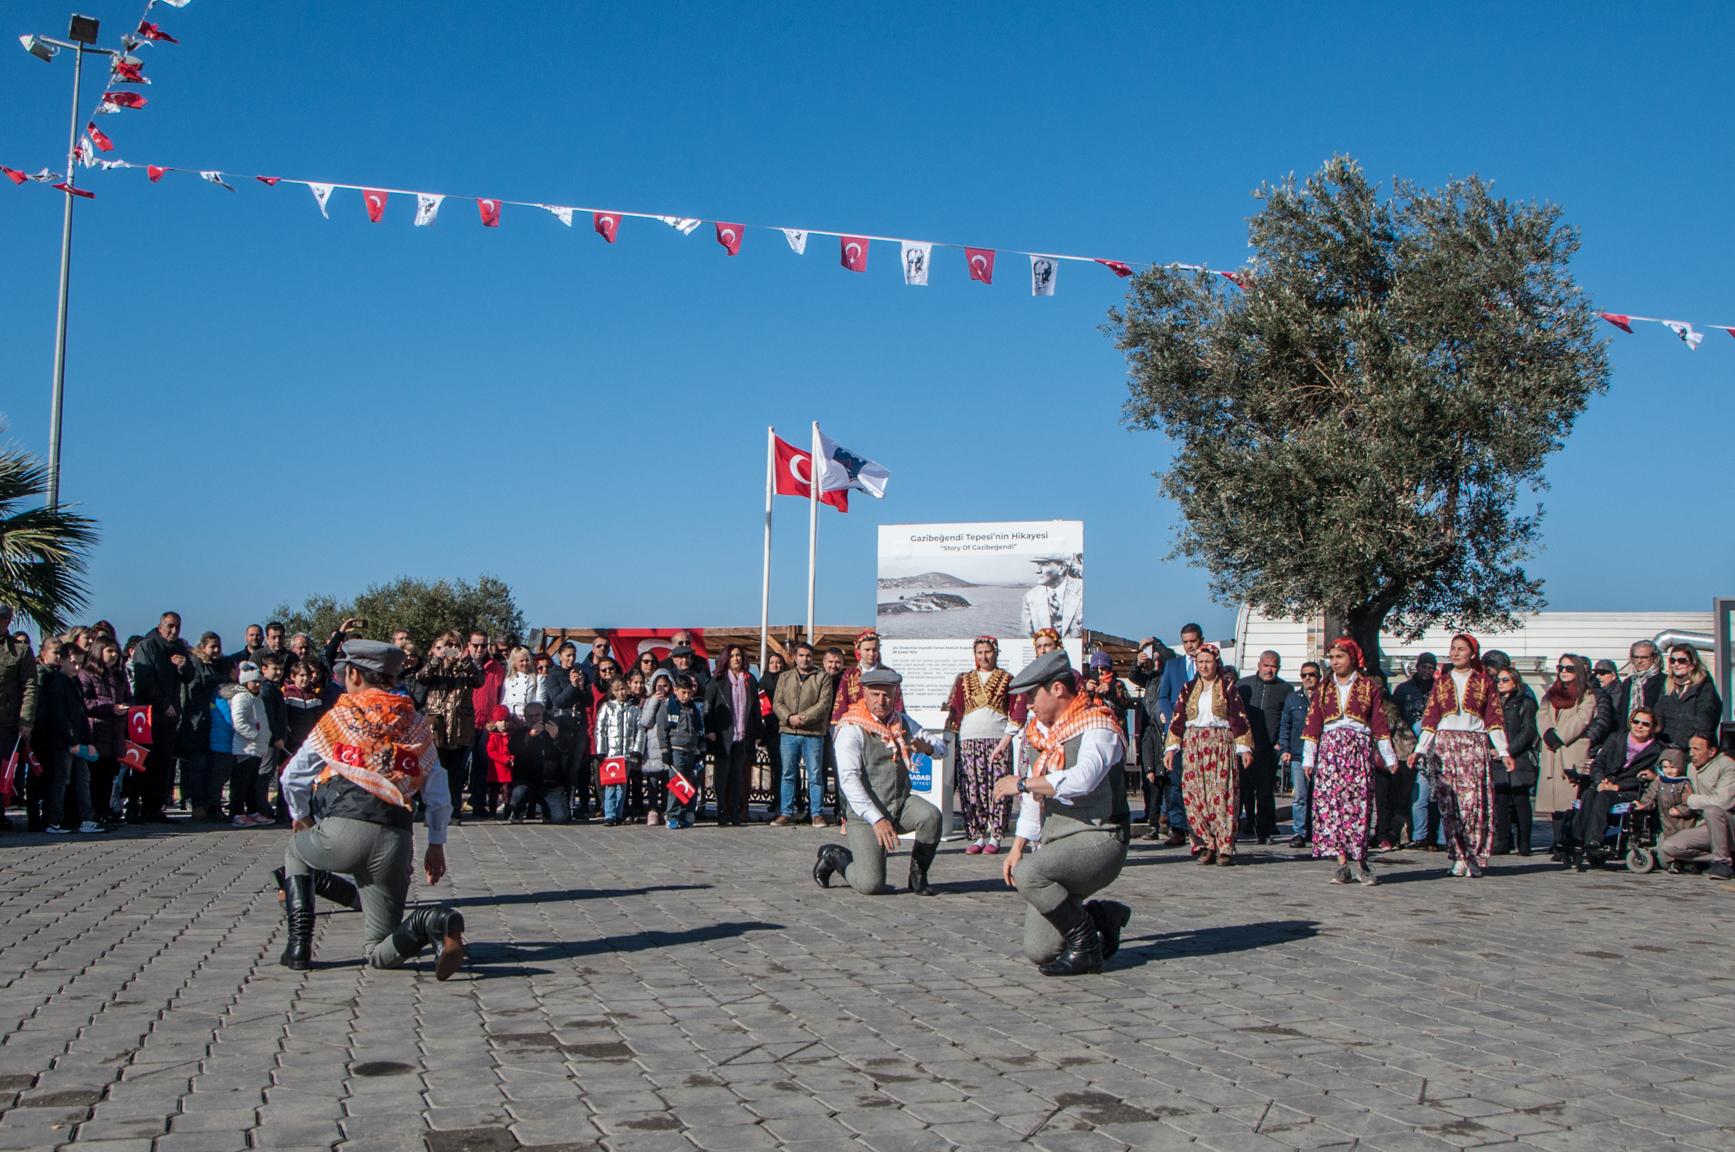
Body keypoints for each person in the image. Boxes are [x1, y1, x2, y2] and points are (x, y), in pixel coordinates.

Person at [278, 640, 465, 978]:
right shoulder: (416, 723)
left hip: (342, 830)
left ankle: (298, 947)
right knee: (380, 951)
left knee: (296, 851)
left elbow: (292, 777)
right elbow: (438, 791)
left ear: (353, 675)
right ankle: (431, 921)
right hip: (395, 840)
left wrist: (302, 817)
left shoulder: (339, 717)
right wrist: (436, 843)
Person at [993, 650, 1131, 976]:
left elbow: (1084, 779)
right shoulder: (1040, 734)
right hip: (1058, 841)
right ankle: (1101, 917)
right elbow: (1035, 798)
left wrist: (1022, 783)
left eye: (1032, 696)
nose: (1028, 705)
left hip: (1100, 837)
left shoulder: (1099, 725)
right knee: (1040, 950)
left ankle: (1086, 949)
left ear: (1057, 689)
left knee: (1030, 874)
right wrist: (1017, 845)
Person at [812, 667, 946, 896]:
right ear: (864, 693)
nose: (881, 701)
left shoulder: (902, 722)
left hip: (899, 804)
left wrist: (928, 747)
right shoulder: (851, 728)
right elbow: (849, 780)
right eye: (875, 694)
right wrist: (877, 819)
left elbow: (942, 749)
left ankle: (918, 876)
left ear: (895, 695)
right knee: (871, 884)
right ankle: (834, 856)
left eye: (887, 695)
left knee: (931, 816)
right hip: (864, 814)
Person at [1408, 634, 1512, 878]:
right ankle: (1457, 855)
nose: (1455, 653)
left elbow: (1494, 719)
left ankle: (1473, 854)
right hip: (1446, 745)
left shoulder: (1484, 683)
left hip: (1473, 744)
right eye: (1453, 648)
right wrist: (1420, 750)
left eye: (1461, 649)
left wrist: (1503, 750)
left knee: (1472, 803)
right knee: (1449, 803)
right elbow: (1431, 718)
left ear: (1472, 654)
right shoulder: (1442, 682)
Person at [1301, 637, 1397, 886]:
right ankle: (1342, 864)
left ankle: (1362, 863)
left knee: (1358, 806)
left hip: (1357, 749)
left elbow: (1379, 723)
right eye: (1332, 658)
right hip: (1331, 751)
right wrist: (1308, 759)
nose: (1335, 662)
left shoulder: (1367, 687)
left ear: (1352, 658)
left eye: (1340, 657)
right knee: (1332, 807)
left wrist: (1389, 756)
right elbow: (1313, 725)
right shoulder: (1324, 688)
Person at [1164, 643, 1253, 865]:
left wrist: (1244, 748)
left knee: (1221, 795)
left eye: (1208, 662)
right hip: (1193, 746)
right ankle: (1205, 844)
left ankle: (1224, 846)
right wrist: (1171, 748)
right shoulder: (1188, 688)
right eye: (1200, 662)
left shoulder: (1227, 687)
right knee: (1195, 796)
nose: (1204, 666)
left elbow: (1238, 718)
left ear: (1216, 663)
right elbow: (1178, 719)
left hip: (1220, 744)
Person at [942, 637, 1021, 853]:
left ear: (996, 652)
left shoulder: (1007, 679)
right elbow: (957, 710)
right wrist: (948, 738)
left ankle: (995, 835)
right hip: (969, 739)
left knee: (998, 786)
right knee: (972, 787)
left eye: (988, 652)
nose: (984, 657)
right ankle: (978, 836)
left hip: (997, 740)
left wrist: (1008, 736)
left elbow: (1014, 710)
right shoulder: (965, 680)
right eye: (979, 652)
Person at [1567, 707, 1661, 871]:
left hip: (1629, 789)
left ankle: (1594, 840)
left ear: (1652, 727)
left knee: (1604, 796)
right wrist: (1599, 782)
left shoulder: (1657, 750)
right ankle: (1577, 839)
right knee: (1589, 793)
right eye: (1636, 722)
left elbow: (1648, 777)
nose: (1639, 726)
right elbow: (1598, 763)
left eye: (1645, 724)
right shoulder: (1616, 738)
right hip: (1606, 783)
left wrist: (1618, 786)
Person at [36, 638, 105, 835]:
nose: (76, 667)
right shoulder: (56, 682)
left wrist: (88, 741)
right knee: (62, 779)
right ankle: (54, 820)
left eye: (80, 664)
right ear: (62, 661)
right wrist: (72, 740)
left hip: (78, 740)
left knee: (83, 778)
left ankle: (86, 818)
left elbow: (81, 714)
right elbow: (58, 715)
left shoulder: (75, 682)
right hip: (63, 742)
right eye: (73, 662)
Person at [129, 612, 194, 823]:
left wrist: (184, 665)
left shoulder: (179, 648)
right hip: (147, 716)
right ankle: (134, 808)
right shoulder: (147, 646)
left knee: (163, 764)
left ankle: (154, 808)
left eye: (177, 627)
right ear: (160, 627)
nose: (174, 631)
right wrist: (163, 704)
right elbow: (144, 682)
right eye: (170, 626)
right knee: (142, 763)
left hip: (169, 718)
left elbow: (189, 677)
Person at [417, 632, 484, 827]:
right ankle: (433, 811)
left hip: (460, 725)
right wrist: (437, 659)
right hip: (437, 725)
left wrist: (466, 662)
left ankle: (454, 810)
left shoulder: (466, 667)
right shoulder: (435, 667)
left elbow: (479, 681)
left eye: (456, 645)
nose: (452, 650)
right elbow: (422, 678)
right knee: (436, 771)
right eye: (449, 645)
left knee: (456, 772)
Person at [1535, 654, 1598, 858]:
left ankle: (1569, 842)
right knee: (1553, 803)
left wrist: (1560, 736)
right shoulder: (1551, 693)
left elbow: (1583, 718)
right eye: (1560, 668)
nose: (1564, 672)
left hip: (1570, 749)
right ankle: (1556, 841)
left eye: (1569, 668)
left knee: (1569, 801)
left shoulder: (1586, 694)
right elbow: (1542, 713)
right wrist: (1547, 732)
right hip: (1551, 750)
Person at [774, 642, 837, 828]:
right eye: (801, 655)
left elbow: (824, 704)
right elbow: (777, 702)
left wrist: (802, 718)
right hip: (788, 732)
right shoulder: (785, 677)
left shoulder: (822, 677)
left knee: (815, 775)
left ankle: (816, 813)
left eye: (808, 655)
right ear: (795, 657)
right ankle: (785, 812)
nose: (805, 659)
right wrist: (789, 717)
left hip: (813, 733)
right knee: (787, 774)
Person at [1153, 623, 1204, 846]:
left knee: (1199, 781)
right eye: (1186, 642)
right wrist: (1172, 717)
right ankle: (1177, 828)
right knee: (1176, 782)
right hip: (1178, 731)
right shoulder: (1173, 666)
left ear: (1201, 640)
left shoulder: (1208, 664)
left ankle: (1199, 827)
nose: (1190, 646)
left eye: (1193, 641)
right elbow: (1163, 696)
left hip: (1201, 731)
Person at [1659, 732, 1735, 878]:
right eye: (1690, 749)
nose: (1691, 754)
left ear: (1711, 751)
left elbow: (1723, 802)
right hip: (1706, 827)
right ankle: (1715, 859)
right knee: (1670, 847)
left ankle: (1723, 863)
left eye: (1696, 749)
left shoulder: (1728, 766)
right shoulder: (1691, 768)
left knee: (1712, 811)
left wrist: (1691, 800)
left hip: (1729, 824)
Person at [78, 634, 132, 827]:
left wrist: (126, 706)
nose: (114, 655)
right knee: (95, 776)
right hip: (96, 732)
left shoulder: (119, 675)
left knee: (109, 776)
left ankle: (104, 811)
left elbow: (129, 697)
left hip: (115, 734)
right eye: (109, 651)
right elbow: (85, 702)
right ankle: (92, 813)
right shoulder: (86, 674)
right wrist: (111, 707)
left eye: (116, 651)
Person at [705, 646, 762, 826]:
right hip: (723, 736)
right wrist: (710, 729)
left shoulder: (750, 680)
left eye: (738, 655)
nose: (736, 659)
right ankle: (722, 811)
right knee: (722, 775)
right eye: (732, 656)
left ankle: (735, 812)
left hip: (743, 736)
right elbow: (708, 706)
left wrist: (758, 732)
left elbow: (756, 708)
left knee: (738, 776)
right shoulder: (718, 680)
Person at [1236, 650, 1289, 845]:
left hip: (1268, 748)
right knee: (1241, 789)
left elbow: (1286, 719)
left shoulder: (1285, 689)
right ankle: (1235, 828)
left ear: (1278, 668)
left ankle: (1264, 830)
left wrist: (1280, 743)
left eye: (1273, 666)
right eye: (1266, 666)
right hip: (1244, 747)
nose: (1269, 670)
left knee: (1265, 792)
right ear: (1259, 665)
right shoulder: (1244, 686)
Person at [178, 632, 227, 824]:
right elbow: (199, 683)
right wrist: (223, 679)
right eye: (212, 647)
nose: (216, 650)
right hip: (197, 722)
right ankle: (197, 804)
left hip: (212, 722)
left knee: (211, 767)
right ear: (203, 646)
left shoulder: (217, 665)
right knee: (198, 766)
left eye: (218, 647)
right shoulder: (196, 662)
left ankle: (210, 804)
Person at [1491, 664, 1540, 855]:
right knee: (1501, 800)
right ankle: (1502, 841)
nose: (1501, 683)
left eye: (1505, 680)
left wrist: (1507, 750)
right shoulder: (1493, 703)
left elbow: (1528, 731)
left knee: (1521, 800)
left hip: (1519, 757)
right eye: (1498, 680)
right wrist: (1494, 750)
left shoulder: (1525, 702)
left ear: (1515, 682)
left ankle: (1524, 842)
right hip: (1497, 757)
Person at [0, 604, 39, 833]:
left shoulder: (20, 651)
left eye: (4, 618)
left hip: (6, 721)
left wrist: (26, 720)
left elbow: (30, 686)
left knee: (3, 770)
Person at [547, 642, 590, 821]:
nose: (571, 659)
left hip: (578, 726)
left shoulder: (580, 673)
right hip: (561, 725)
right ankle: (561, 804)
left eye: (574, 655)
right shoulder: (553, 676)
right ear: (560, 656)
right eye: (568, 655)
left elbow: (588, 701)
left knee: (575, 768)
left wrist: (581, 686)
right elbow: (558, 700)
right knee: (562, 766)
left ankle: (571, 804)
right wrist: (572, 686)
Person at [594, 674, 644, 826]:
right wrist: (601, 750)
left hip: (626, 754)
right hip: (611, 754)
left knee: (622, 785)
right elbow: (600, 730)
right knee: (610, 784)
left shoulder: (634, 709)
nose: (621, 693)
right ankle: (609, 814)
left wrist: (637, 749)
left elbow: (640, 730)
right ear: (612, 692)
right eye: (617, 690)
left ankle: (618, 813)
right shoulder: (607, 707)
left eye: (623, 689)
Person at [1279, 662, 1319, 847]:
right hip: (1298, 752)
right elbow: (1285, 725)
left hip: (1320, 753)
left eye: (1312, 674)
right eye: (1304, 675)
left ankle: (1317, 831)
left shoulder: (1325, 697)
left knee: (1319, 795)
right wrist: (1285, 749)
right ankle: (1299, 832)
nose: (1308, 678)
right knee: (1300, 796)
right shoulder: (1293, 699)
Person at [1654, 645, 1722, 752]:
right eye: (1672, 660)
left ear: (1692, 664)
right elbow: (1658, 716)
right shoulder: (1667, 686)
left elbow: (1704, 722)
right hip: (1666, 748)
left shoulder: (1704, 687)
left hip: (1692, 749)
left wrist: (1680, 745)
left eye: (1681, 661)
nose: (1676, 664)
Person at [229, 663, 273, 828]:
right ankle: (237, 812)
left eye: (259, 682)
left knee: (252, 783)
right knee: (241, 782)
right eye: (254, 681)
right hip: (245, 748)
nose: (257, 685)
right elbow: (239, 722)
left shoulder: (257, 699)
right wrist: (255, 734)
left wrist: (265, 736)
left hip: (257, 748)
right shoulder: (241, 697)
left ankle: (253, 811)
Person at [467, 631, 505, 819]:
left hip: (487, 724)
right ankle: (453, 804)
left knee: (482, 766)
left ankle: (478, 804)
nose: (479, 649)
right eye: (475, 645)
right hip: (465, 723)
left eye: (483, 645)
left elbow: (501, 695)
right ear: (468, 645)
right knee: (459, 766)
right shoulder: (462, 664)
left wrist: (497, 719)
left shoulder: (496, 667)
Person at [507, 701, 565, 822]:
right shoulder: (521, 733)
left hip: (549, 783)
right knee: (518, 793)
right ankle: (518, 811)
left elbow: (566, 750)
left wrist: (556, 737)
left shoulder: (553, 729)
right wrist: (530, 736)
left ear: (543, 714)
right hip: (526, 782)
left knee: (560, 817)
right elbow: (513, 749)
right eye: (530, 716)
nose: (534, 719)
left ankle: (546, 811)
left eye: (538, 715)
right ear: (525, 717)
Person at [660, 675, 706, 829]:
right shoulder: (668, 706)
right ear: (675, 690)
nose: (686, 696)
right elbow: (662, 730)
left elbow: (699, 728)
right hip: (676, 749)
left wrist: (701, 747)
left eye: (689, 693)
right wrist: (665, 751)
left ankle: (686, 813)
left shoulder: (693, 708)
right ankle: (672, 815)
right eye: (683, 692)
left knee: (690, 782)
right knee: (677, 783)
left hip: (691, 749)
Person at [830, 631, 901, 725]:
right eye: (867, 650)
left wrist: (897, 724)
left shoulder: (889, 674)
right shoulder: (849, 675)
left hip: (884, 725)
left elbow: (897, 702)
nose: (871, 653)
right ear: (858, 650)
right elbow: (841, 703)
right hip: (855, 724)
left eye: (875, 650)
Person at [1018, 555, 1084, 638]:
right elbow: (1026, 636)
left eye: (1044, 564)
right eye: (1038, 564)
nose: (1037, 571)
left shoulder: (1085, 590)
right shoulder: (1030, 597)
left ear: (1062, 568)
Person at [500, 646, 550, 718]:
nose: (525, 663)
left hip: (531, 718)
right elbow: (504, 703)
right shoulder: (508, 681)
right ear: (514, 663)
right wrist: (511, 717)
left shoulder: (537, 678)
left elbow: (541, 701)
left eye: (527, 660)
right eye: (521, 661)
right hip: (512, 719)